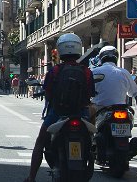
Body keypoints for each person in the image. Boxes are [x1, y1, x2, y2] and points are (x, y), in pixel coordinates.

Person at [25, 33, 95, 182]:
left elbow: (48, 93)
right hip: (80, 113)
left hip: (58, 112)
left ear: (60, 50)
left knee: (41, 141)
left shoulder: (55, 71)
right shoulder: (86, 71)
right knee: (90, 139)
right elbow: (90, 94)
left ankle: (31, 177)